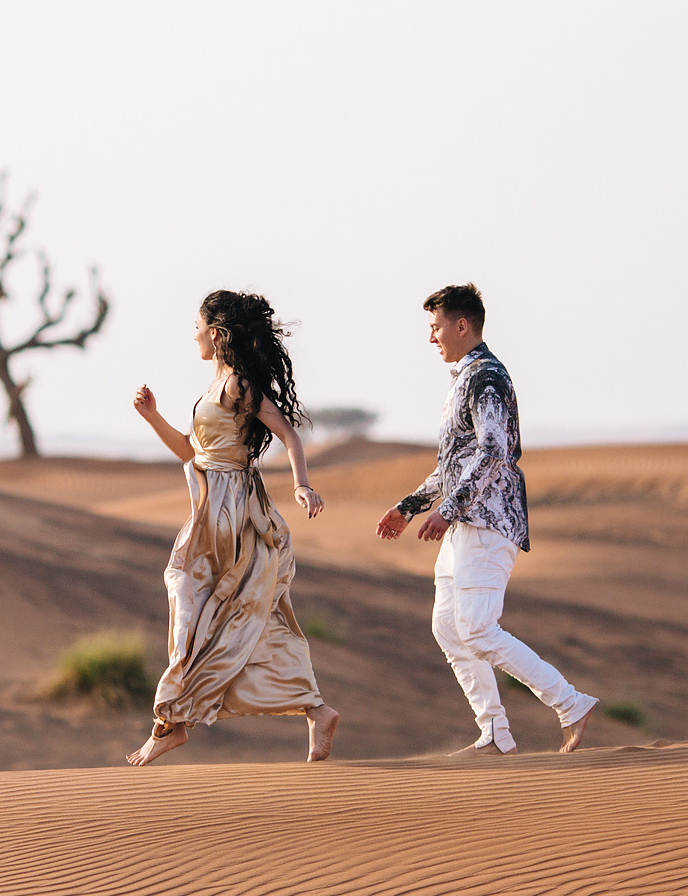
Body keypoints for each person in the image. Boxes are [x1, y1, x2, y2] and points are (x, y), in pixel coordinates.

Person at [375, 283, 599, 754]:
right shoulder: (464, 378)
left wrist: (448, 509)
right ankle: (495, 733)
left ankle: (571, 703)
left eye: (435, 327)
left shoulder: (486, 377)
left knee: (477, 627)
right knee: (448, 627)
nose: (430, 338)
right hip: (463, 525)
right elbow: (453, 464)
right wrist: (408, 507)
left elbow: (496, 451)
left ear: (461, 325)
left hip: (487, 521)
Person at [127, 290, 343, 765]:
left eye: (198, 327)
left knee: (206, 607)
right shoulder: (213, 388)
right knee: (232, 617)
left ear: (217, 334)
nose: (195, 336)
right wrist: (152, 417)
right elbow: (191, 452)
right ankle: (315, 709)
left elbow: (287, 433)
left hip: (232, 516)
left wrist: (302, 485)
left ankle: (171, 721)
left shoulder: (239, 386)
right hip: (209, 510)